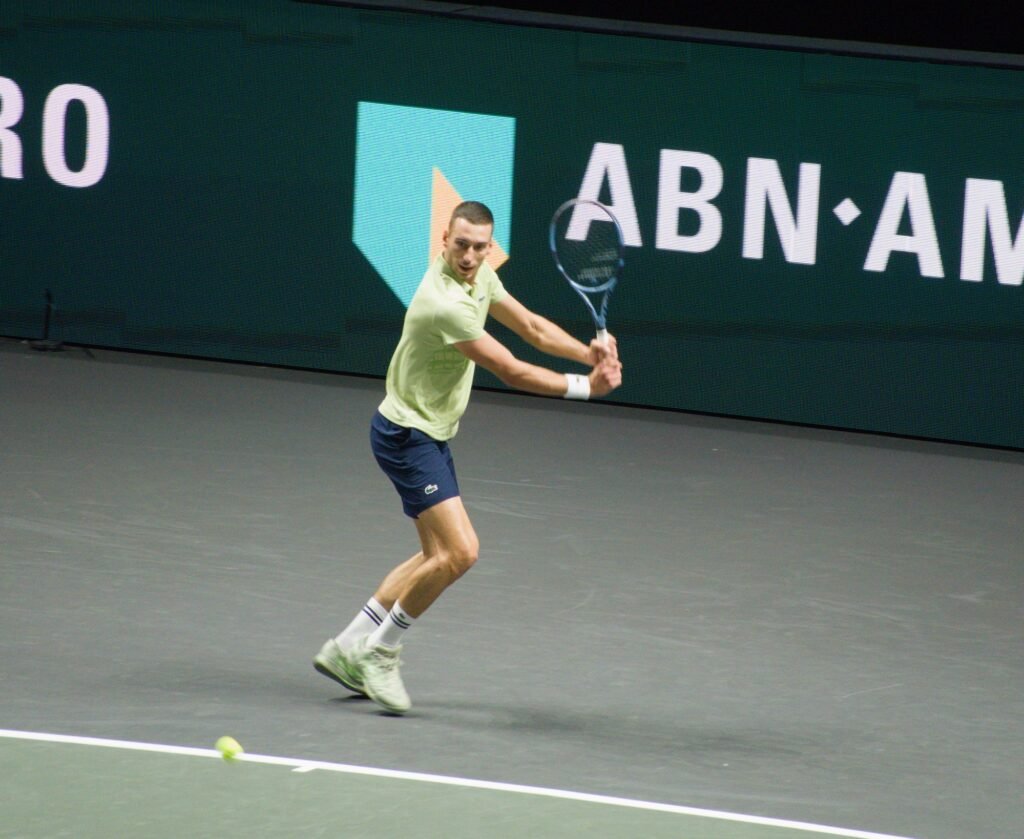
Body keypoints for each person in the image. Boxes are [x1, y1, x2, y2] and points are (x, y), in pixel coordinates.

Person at [314, 200, 622, 713]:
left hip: (425, 432)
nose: (470, 256)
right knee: (461, 553)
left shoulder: (480, 277)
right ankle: (379, 652)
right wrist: (586, 386)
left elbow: (532, 328)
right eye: (461, 245)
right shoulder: (445, 304)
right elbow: (512, 370)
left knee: (433, 557)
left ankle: (347, 645)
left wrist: (585, 352)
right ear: (444, 239)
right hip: (407, 436)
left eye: (480, 247)